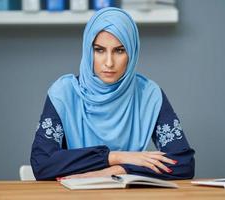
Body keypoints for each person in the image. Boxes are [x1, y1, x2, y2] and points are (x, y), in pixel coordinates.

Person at [31, 7, 195, 181]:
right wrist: (114, 157)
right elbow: (42, 163)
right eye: (99, 50)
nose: (109, 63)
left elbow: (183, 164)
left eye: (119, 50)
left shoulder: (148, 95)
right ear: (88, 50)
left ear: (132, 52)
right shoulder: (64, 94)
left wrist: (119, 170)